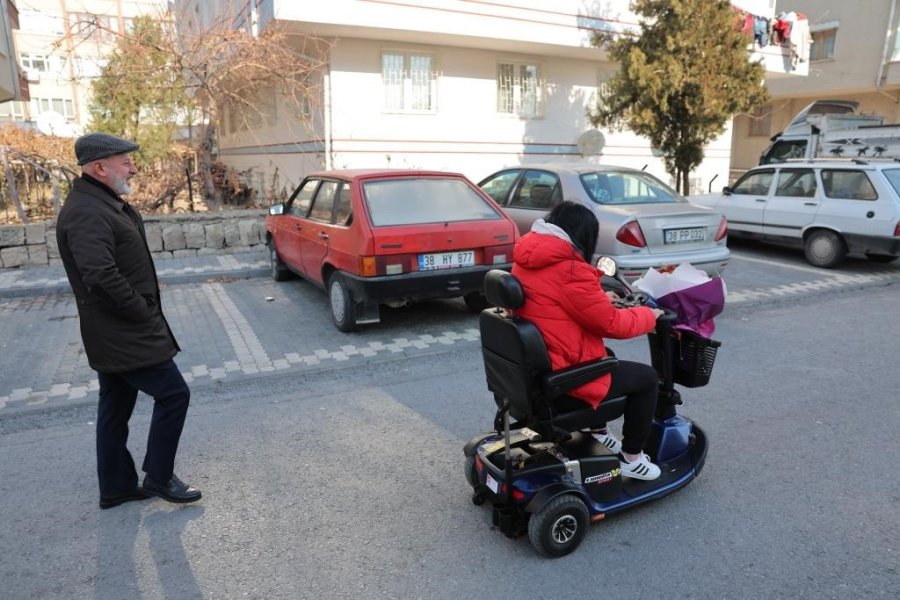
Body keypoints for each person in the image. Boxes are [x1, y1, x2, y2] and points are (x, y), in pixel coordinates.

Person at [56, 132, 202, 508]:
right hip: (123, 330)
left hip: (115, 331)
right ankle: (158, 476)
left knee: (115, 405)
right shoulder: (88, 210)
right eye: (126, 162)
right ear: (99, 167)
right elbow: (100, 274)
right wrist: (139, 309)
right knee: (174, 394)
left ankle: (117, 486)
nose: (134, 168)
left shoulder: (100, 201)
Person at [511, 201, 665, 481]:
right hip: (562, 382)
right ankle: (632, 458)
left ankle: (597, 432)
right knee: (647, 378)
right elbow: (613, 324)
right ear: (582, 236)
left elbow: (553, 303)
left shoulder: (529, 256)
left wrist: (600, 299)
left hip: (536, 369)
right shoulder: (569, 269)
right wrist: (649, 315)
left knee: (604, 353)